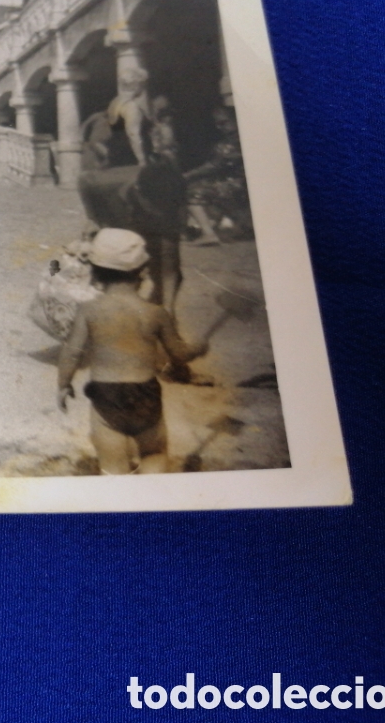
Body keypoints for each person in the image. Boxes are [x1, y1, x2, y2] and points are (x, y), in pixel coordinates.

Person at [57, 229, 206, 474]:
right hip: (145, 392)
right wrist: (198, 348)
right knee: (154, 452)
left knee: (112, 463)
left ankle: (120, 494)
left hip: (106, 394)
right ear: (144, 271)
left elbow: (71, 352)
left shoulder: (89, 310)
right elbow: (179, 354)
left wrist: (63, 384)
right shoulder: (156, 312)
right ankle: (153, 498)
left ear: (95, 272)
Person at [184, 106, 249, 246]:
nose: (220, 127)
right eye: (218, 124)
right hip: (246, 184)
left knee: (193, 192)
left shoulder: (233, 141)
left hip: (241, 185)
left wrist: (187, 175)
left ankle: (209, 234)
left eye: (224, 122)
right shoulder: (247, 136)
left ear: (235, 119)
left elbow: (215, 166)